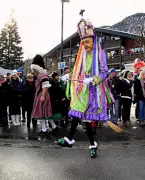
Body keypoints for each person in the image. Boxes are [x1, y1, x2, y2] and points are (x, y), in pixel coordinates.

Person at [57, 15, 113, 158]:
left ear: (93, 41)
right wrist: (72, 77)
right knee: (75, 114)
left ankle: (92, 144)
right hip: (82, 91)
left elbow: (104, 72)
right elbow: (79, 71)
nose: (85, 45)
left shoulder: (100, 54)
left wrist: (93, 80)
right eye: (83, 43)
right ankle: (70, 139)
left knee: (88, 122)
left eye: (87, 42)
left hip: (94, 92)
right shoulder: (81, 55)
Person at [31, 55, 57, 134]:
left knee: (41, 113)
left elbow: (45, 86)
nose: (33, 73)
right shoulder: (42, 74)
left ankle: (44, 129)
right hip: (42, 95)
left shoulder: (41, 75)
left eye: (34, 71)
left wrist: (42, 96)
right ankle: (54, 127)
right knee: (45, 112)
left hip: (42, 95)